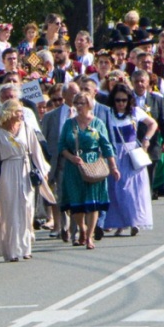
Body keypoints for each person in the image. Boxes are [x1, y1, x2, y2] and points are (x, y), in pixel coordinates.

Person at [0, 100, 50, 261]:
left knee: (27, 208)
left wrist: (43, 171)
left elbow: (36, 152)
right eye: (18, 111)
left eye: (21, 111)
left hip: (25, 170)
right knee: (10, 211)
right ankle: (11, 251)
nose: (21, 114)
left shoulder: (27, 129)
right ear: (8, 113)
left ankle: (25, 247)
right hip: (8, 172)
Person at [59, 93, 118, 250]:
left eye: (82, 103)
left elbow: (106, 145)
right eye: (77, 103)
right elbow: (62, 146)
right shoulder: (69, 124)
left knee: (93, 203)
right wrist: (71, 157)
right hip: (74, 167)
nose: (79, 106)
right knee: (76, 203)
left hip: (94, 165)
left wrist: (113, 167)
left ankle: (90, 236)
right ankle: (82, 228)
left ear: (89, 105)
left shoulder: (98, 123)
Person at [100, 83, 156, 237]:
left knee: (131, 190)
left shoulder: (135, 112)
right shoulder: (108, 113)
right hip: (114, 153)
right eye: (118, 100)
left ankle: (134, 221)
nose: (121, 103)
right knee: (115, 189)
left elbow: (153, 123)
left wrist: (146, 139)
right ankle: (120, 223)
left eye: (124, 100)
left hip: (131, 155)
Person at [41, 83, 79, 242]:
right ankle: (63, 225)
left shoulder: (83, 114)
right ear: (65, 95)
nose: (76, 96)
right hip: (59, 162)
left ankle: (75, 231)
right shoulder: (51, 116)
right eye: (73, 93)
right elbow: (43, 141)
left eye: (77, 93)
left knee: (77, 196)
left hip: (78, 162)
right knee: (61, 196)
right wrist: (45, 164)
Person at [132, 70, 164, 197]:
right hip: (132, 145)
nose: (140, 84)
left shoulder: (157, 100)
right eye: (136, 82)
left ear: (148, 82)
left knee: (148, 179)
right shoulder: (127, 99)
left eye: (142, 81)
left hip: (151, 145)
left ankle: (147, 200)